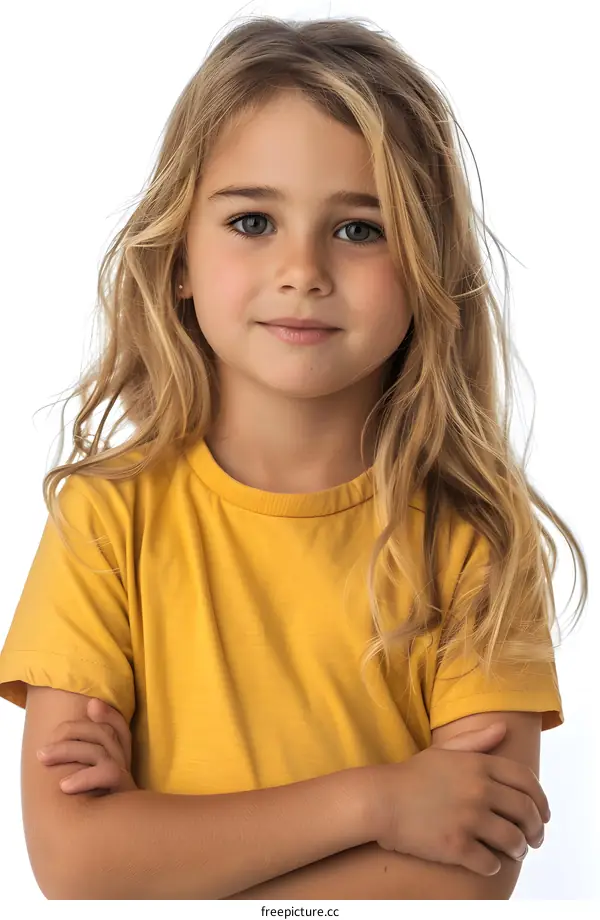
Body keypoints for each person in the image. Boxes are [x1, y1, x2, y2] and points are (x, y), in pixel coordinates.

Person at [0, 14, 588, 901]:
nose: (302, 268)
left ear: (430, 265)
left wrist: (167, 848)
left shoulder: (476, 545)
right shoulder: (105, 519)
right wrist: (382, 803)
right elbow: (77, 866)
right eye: (251, 220)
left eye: (359, 230)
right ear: (180, 259)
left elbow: (470, 880)